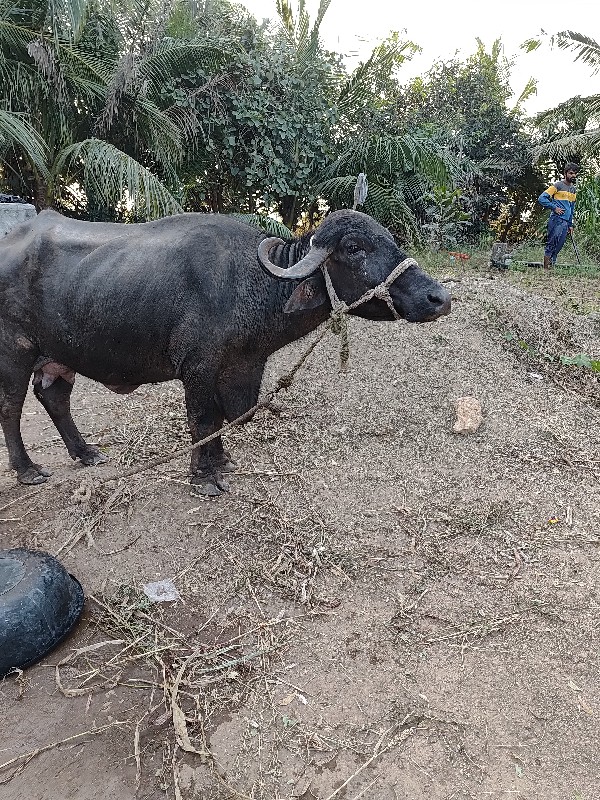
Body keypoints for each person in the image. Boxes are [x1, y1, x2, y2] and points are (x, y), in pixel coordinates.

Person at [538, 163, 580, 268]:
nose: (573, 175)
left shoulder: (573, 190)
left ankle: (552, 266)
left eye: (575, 173)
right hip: (557, 219)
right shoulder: (558, 185)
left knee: (559, 245)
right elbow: (542, 198)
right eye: (571, 173)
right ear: (565, 173)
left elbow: (571, 208)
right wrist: (554, 208)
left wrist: (570, 225)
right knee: (552, 243)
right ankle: (545, 269)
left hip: (566, 222)